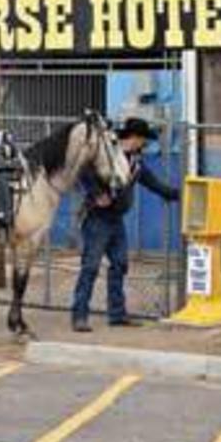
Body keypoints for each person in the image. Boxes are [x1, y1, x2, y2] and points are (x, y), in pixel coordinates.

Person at [71, 117, 179, 332]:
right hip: (96, 217)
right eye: (144, 141)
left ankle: (117, 314)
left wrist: (175, 194)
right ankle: (79, 316)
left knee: (119, 264)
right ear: (135, 138)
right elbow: (83, 170)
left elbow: (152, 182)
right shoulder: (108, 154)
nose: (145, 145)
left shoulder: (135, 162)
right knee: (90, 267)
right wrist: (97, 193)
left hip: (115, 219)